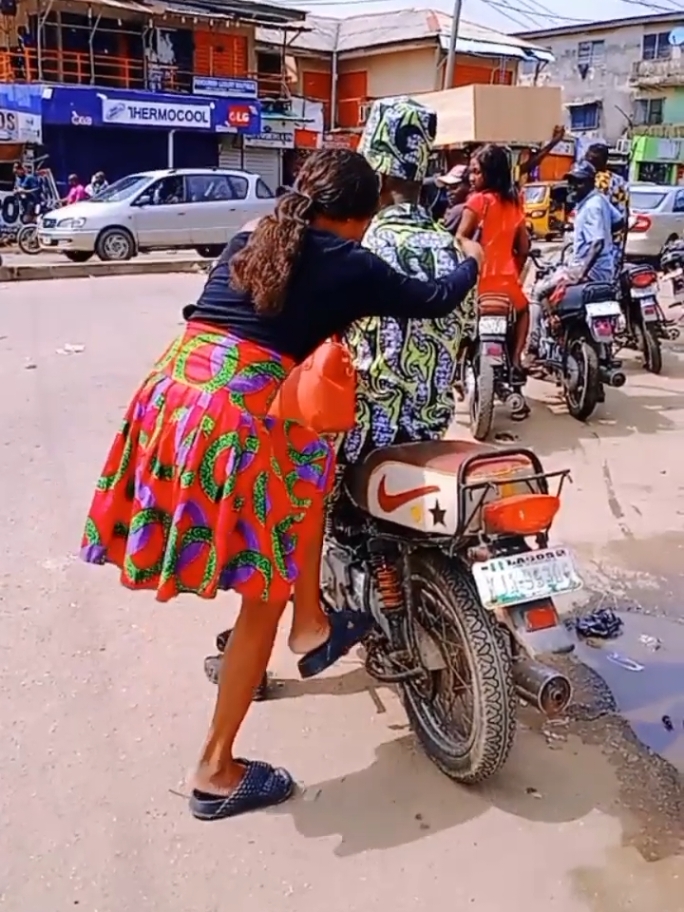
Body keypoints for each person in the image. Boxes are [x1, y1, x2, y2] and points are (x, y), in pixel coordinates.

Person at [80, 148, 480, 822]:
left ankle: (313, 622)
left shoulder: (253, 234)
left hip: (175, 392)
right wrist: (471, 252)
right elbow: (434, 299)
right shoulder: (347, 257)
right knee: (261, 593)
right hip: (236, 414)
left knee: (312, 467)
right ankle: (215, 769)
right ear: (356, 216)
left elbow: (219, 309)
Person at [340, 97, 481, 464]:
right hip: (431, 435)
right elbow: (464, 343)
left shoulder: (360, 247)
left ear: (378, 179)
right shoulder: (454, 251)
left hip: (364, 443)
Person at [527, 160, 624, 358]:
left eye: (578, 182)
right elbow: (619, 221)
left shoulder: (592, 206)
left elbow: (596, 243)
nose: (573, 186)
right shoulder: (599, 199)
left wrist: (581, 272)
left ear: (590, 182)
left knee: (537, 292)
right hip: (605, 269)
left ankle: (533, 347)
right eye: (571, 181)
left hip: (588, 269)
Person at [457, 143, 531, 399]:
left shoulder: (476, 201)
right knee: (523, 311)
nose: (471, 177)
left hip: (477, 283)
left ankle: (456, 368)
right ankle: (517, 358)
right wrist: (515, 269)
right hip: (506, 285)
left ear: (490, 173)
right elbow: (523, 247)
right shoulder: (514, 203)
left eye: (476, 172)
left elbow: (460, 238)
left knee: (458, 320)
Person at [584, 141, 629, 275]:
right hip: (616, 242)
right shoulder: (620, 181)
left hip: (599, 243)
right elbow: (625, 216)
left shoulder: (597, 181)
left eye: (590, 159)